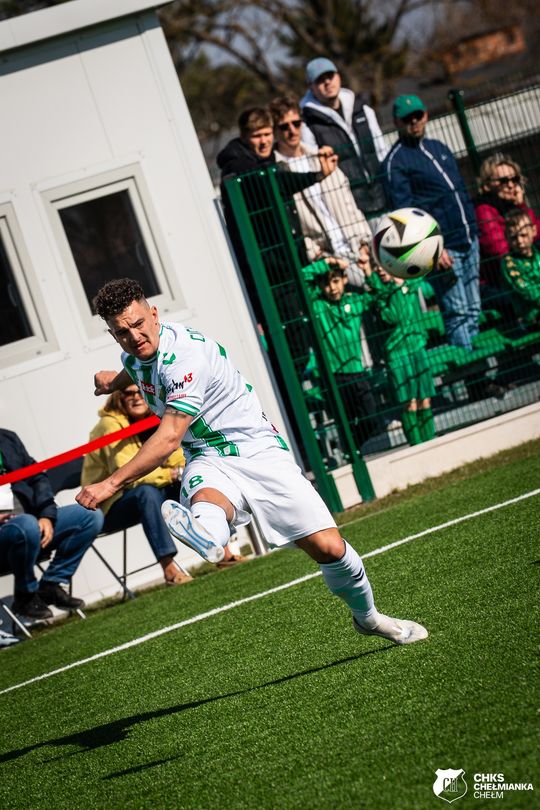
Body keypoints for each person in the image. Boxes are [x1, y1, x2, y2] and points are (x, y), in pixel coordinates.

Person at [75, 277, 427, 646]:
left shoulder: (185, 358)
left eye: (138, 324)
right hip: (205, 455)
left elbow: (168, 439)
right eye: (122, 332)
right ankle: (208, 532)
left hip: (256, 451)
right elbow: (138, 365)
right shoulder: (134, 354)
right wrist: (113, 382)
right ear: (113, 334)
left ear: (154, 313)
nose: (134, 336)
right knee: (208, 497)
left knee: (330, 548)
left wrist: (109, 484)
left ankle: (369, 618)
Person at [383, 94, 482, 354]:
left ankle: (481, 363)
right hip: (445, 250)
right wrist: (433, 249)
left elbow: (459, 190)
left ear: (426, 115)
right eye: (407, 119)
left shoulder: (439, 147)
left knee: (474, 308)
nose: (414, 122)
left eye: (418, 116)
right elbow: (404, 215)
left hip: (468, 238)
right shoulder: (396, 162)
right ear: (397, 122)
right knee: (458, 312)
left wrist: (474, 227)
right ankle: (470, 365)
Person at [82, 386, 193, 586]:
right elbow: (127, 474)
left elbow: (176, 454)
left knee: (191, 481)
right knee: (146, 494)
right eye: (128, 393)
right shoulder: (108, 425)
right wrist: (170, 474)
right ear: (118, 396)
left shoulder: (156, 416)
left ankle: (225, 551)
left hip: (152, 490)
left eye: (140, 391)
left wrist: (183, 471)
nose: (136, 397)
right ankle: (169, 569)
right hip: (109, 505)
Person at [270, 94, 373, 288]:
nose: (292, 130)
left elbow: (348, 202)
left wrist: (363, 242)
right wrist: (315, 253)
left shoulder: (321, 157)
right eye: (284, 126)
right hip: (325, 259)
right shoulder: (277, 172)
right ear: (275, 131)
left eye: (296, 123)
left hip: (356, 248)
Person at [0, 428, 103, 621]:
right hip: (7, 535)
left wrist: (46, 515)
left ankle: (52, 584)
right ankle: (26, 595)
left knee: (89, 516)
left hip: (32, 522)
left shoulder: (6, 438)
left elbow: (37, 477)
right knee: (26, 525)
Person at [300, 57, 388, 218]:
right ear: (311, 87)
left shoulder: (362, 109)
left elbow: (381, 149)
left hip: (384, 195)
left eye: (330, 76)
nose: (327, 82)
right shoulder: (307, 124)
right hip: (350, 209)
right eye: (320, 80)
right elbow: (314, 168)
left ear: (338, 77)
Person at [307, 258, 381, 447]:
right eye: (326, 284)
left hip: (357, 372)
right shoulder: (318, 306)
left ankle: (352, 447)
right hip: (334, 377)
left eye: (335, 281)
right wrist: (328, 262)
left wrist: (367, 271)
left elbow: (378, 294)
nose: (332, 288)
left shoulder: (354, 301)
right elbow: (302, 279)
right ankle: (352, 454)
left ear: (345, 279)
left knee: (372, 418)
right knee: (345, 423)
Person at [364, 257, 436, 446]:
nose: (380, 270)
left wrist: (402, 278)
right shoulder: (380, 294)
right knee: (409, 402)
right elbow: (393, 316)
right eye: (376, 267)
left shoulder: (410, 282)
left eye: (384, 266)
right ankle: (417, 446)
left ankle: (431, 443)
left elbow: (423, 272)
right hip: (397, 354)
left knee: (425, 399)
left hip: (417, 345)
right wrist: (394, 286)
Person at [476, 153, 540, 296]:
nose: (511, 185)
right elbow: (499, 250)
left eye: (515, 179)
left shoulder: (513, 204)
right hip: (498, 280)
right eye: (503, 181)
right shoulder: (483, 210)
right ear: (487, 185)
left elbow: (534, 232)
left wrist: (521, 206)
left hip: (525, 267)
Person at [500, 209, 540, 327]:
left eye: (523, 235)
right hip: (531, 317)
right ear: (506, 238)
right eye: (513, 238)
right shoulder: (509, 263)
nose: (519, 241)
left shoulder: (537, 254)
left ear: (534, 231)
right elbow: (528, 292)